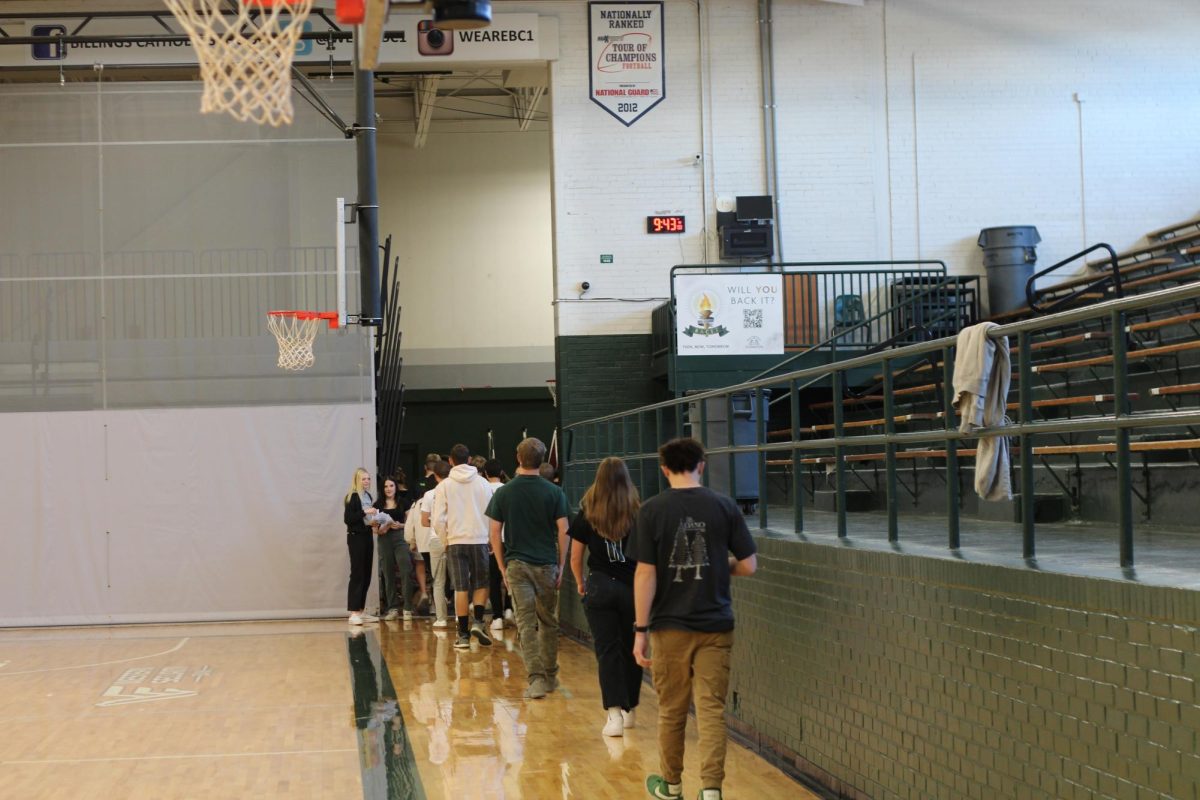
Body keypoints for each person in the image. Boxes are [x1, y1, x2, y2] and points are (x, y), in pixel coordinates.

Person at [629, 437, 758, 800]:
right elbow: (749, 565)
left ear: (664, 468)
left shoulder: (651, 511)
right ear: (701, 465)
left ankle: (671, 787)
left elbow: (645, 574)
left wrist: (640, 630)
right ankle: (712, 791)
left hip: (669, 627)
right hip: (717, 625)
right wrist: (721, 566)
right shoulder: (725, 506)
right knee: (712, 710)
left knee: (672, 710)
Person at [486, 437, 569, 700]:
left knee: (525, 623)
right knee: (548, 621)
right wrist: (562, 564)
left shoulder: (504, 492)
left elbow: (494, 532)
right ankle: (550, 674)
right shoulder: (554, 492)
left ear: (517, 458)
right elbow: (564, 530)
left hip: (516, 565)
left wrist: (501, 566)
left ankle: (535, 679)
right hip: (546, 564)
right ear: (542, 460)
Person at [569, 457, 642, 737]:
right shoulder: (638, 510)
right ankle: (630, 708)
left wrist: (580, 583)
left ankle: (613, 716)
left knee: (607, 651)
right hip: (633, 587)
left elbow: (575, 556)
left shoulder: (588, 511)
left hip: (600, 585)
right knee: (632, 648)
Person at [432, 443, 495, 650]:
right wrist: (488, 538)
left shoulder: (444, 486)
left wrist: (446, 539)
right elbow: (491, 514)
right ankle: (478, 621)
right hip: (479, 539)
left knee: (460, 587)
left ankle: (463, 635)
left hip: (456, 541)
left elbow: (438, 520)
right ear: (469, 460)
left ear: (450, 461)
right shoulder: (484, 484)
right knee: (481, 583)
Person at [416, 460, 452, 627]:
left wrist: (436, 521)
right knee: (459, 580)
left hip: (436, 539)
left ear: (435, 475)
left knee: (438, 580)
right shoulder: (456, 491)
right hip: (454, 538)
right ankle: (461, 616)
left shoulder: (429, 494)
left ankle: (441, 618)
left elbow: (424, 521)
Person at [375, 477, 415, 621]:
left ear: (395, 487)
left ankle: (408, 608)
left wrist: (401, 525)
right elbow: (375, 529)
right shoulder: (378, 505)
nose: (389, 489)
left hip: (401, 537)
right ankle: (392, 608)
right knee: (387, 572)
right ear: (382, 488)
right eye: (386, 486)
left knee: (406, 570)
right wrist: (382, 528)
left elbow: (411, 522)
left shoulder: (404, 502)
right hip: (384, 539)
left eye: (391, 485)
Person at [343, 467, 379, 626]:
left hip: (367, 536)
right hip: (356, 538)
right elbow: (349, 519)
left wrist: (374, 522)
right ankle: (353, 612)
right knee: (357, 573)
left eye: (368, 479)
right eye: (363, 479)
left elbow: (367, 519)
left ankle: (361, 610)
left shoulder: (368, 496)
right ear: (357, 480)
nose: (366, 481)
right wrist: (365, 512)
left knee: (366, 573)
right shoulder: (352, 497)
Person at [482, 459, 512, 632]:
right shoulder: (509, 489)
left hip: (491, 539)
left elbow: (484, 517)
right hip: (509, 538)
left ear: (485, 473)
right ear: (501, 473)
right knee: (509, 576)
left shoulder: (483, 489)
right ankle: (509, 609)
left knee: (494, 579)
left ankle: (497, 617)